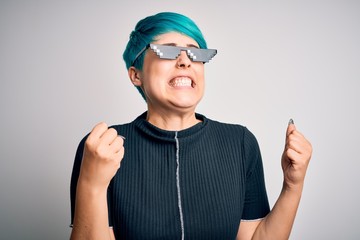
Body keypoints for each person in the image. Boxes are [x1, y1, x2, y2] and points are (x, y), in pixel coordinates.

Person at [70, 12, 312, 240]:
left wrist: (293, 185)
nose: (185, 61)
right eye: (167, 51)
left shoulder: (240, 143)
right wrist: (92, 185)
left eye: (196, 54)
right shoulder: (101, 148)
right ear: (136, 74)